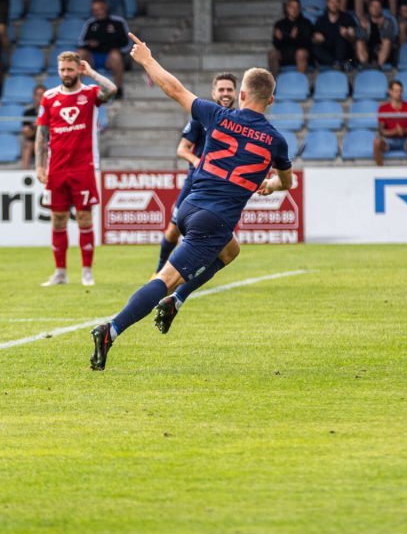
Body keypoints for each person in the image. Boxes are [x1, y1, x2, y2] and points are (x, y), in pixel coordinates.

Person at [90, 35, 292, 371]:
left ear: (241, 95)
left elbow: (174, 89)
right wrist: (270, 184)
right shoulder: (276, 141)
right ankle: (110, 329)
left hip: (189, 207)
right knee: (166, 278)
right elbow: (287, 181)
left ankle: (176, 301)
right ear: (271, 100)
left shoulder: (218, 115)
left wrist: (147, 59)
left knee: (231, 252)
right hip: (213, 220)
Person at [36, 51, 118, 287]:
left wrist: (91, 72)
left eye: (70, 69)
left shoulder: (90, 93)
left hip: (84, 167)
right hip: (57, 168)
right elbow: (42, 135)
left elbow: (111, 89)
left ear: (78, 69)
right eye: (62, 70)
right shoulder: (49, 97)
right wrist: (40, 165)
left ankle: (86, 271)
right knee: (58, 220)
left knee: (84, 218)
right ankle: (60, 272)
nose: (66, 74)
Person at [155, 72, 237, 273]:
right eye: (222, 89)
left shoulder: (239, 122)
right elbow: (182, 149)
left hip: (222, 188)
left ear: (237, 93)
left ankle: (191, 273)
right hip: (196, 183)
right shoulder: (202, 117)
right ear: (214, 92)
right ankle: (158, 271)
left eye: (229, 89)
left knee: (216, 235)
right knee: (173, 231)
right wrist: (198, 161)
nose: (225, 93)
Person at [77, 0, 130, 94]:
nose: (97, 12)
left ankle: (119, 88)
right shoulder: (90, 23)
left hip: (110, 58)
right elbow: (81, 42)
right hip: (92, 57)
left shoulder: (118, 22)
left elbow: (127, 44)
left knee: (116, 55)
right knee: (79, 54)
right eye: (94, 10)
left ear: (105, 8)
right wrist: (90, 43)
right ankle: (75, 87)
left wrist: (105, 43)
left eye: (99, 9)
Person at [374, 80, 407, 166]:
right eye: (396, 91)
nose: (399, 93)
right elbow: (381, 131)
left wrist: (404, 131)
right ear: (390, 92)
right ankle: (380, 173)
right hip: (389, 141)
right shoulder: (383, 108)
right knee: (376, 142)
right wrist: (395, 131)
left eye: (400, 90)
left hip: (405, 140)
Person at [310, 0, 356, 68]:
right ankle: (336, 63)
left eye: (336, 2)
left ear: (339, 3)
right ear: (327, 3)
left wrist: (347, 35)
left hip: (345, 55)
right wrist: (316, 39)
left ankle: (340, 63)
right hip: (328, 54)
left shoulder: (347, 18)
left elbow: (354, 39)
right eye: (331, 2)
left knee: (341, 39)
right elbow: (314, 39)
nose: (334, 4)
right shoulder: (321, 20)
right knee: (314, 48)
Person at [268, 0, 312, 75]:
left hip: (300, 55)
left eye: (297, 7)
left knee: (301, 53)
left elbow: (306, 43)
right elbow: (276, 44)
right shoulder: (279, 24)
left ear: (299, 9)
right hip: (285, 53)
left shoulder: (306, 23)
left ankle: (300, 82)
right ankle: (275, 84)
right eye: (292, 7)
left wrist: (287, 38)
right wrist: (290, 38)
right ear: (287, 8)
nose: (294, 10)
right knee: (272, 54)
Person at [355, 0, 397, 68]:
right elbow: (359, 36)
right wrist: (363, 29)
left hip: (382, 49)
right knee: (359, 42)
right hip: (368, 49)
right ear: (369, 8)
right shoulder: (364, 21)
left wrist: (381, 27)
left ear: (381, 9)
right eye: (373, 6)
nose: (376, 9)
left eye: (378, 7)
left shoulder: (387, 21)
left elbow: (389, 37)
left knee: (387, 42)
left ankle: (378, 66)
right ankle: (364, 65)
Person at [21, 84, 45, 169]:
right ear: (34, 96)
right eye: (38, 95)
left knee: (46, 145)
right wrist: (35, 126)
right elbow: (26, 133)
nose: (40, 97)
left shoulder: (52, 111)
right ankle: (24, 172)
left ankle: (46, 172)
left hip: (46, 140)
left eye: (42, 94)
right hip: (33, 140)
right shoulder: (28, 113)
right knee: (28, 144)